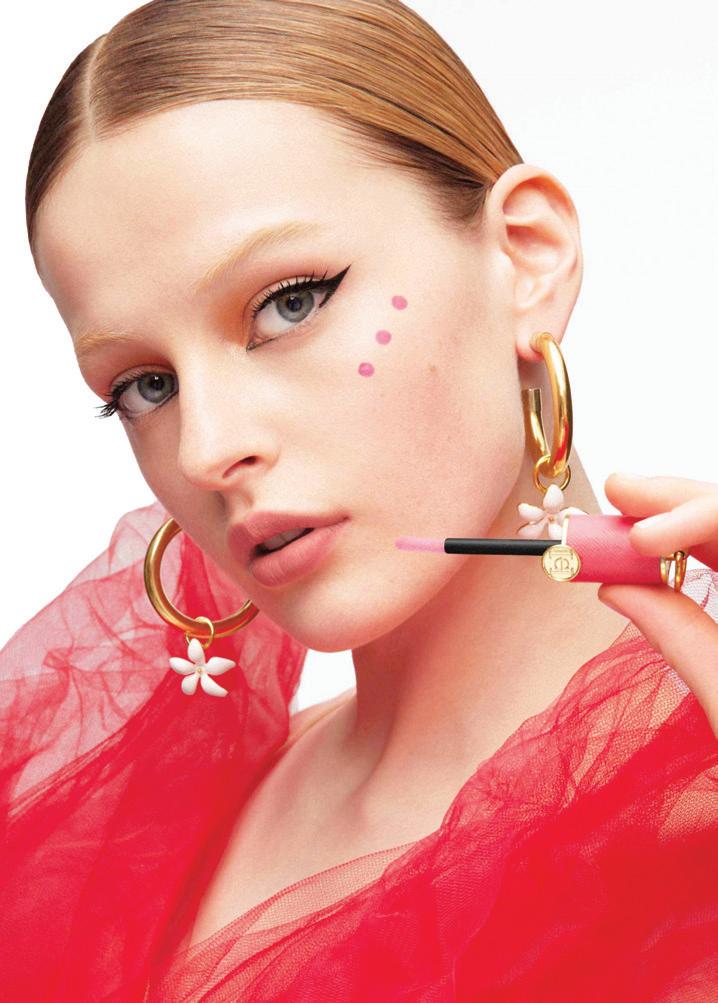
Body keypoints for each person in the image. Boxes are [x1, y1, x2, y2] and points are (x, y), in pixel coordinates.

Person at [3, 0, 718, 999]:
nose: (207, 450)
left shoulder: (694, 821)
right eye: (145, 385)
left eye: (289, 301)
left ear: (526, 254)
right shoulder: (128, 832)